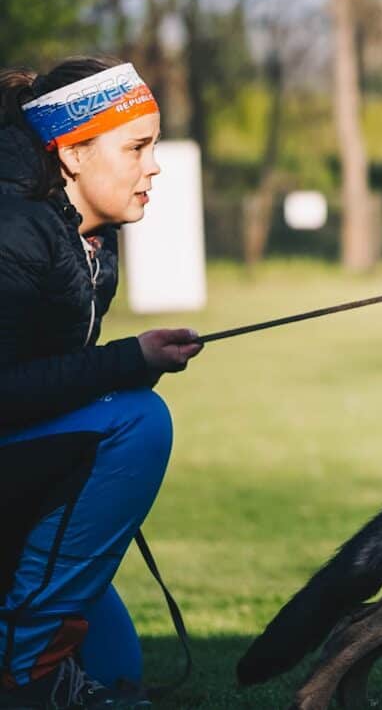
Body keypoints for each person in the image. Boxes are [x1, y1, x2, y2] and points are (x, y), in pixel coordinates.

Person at [0, 58, 204, 709]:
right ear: (72, 154)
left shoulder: (93, 239)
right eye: (137, 146)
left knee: (119, 671)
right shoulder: (14, 231)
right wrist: (129, 362)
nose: (155, 165)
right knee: (139, 420)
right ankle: (21, 669)